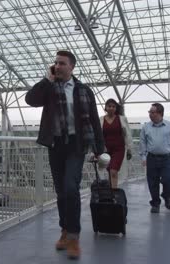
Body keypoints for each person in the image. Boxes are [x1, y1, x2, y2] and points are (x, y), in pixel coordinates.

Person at [25, 50, 104, 259]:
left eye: (61, 63)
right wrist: (47, 79)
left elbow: (94, 120)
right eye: (55, 63)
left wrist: (99, 149)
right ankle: (64, 231)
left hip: (76, 146)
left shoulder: (84, 90)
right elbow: (30, 100)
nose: (57, 66)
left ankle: (74, 237)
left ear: (72, 67)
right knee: (61, 191)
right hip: (56, 145)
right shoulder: (50, 88)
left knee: (71, 187)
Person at [139, 103, 170, 213]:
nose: (150, 114)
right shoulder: (146, 127)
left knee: (168, 180)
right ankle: (155, 203)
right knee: (152, 182)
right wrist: (143, 156)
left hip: (166, 159)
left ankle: (166, 196)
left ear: (160, 113)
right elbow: (142, 143)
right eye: (149, 112)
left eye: (152, 112)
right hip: (151, 158)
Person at [99, 99, 132, 189]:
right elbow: (98, 135)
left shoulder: (121, 119)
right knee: (109, 170)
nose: (111, 108)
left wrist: (129, 149)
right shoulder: (101, 120)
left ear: (116, 108)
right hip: (105, 150)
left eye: (113, 106)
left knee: (113, 170)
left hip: (119, 149)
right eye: (109, 106)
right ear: (105, 107)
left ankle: (114, 193)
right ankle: (110, 191)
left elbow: (127, 134)